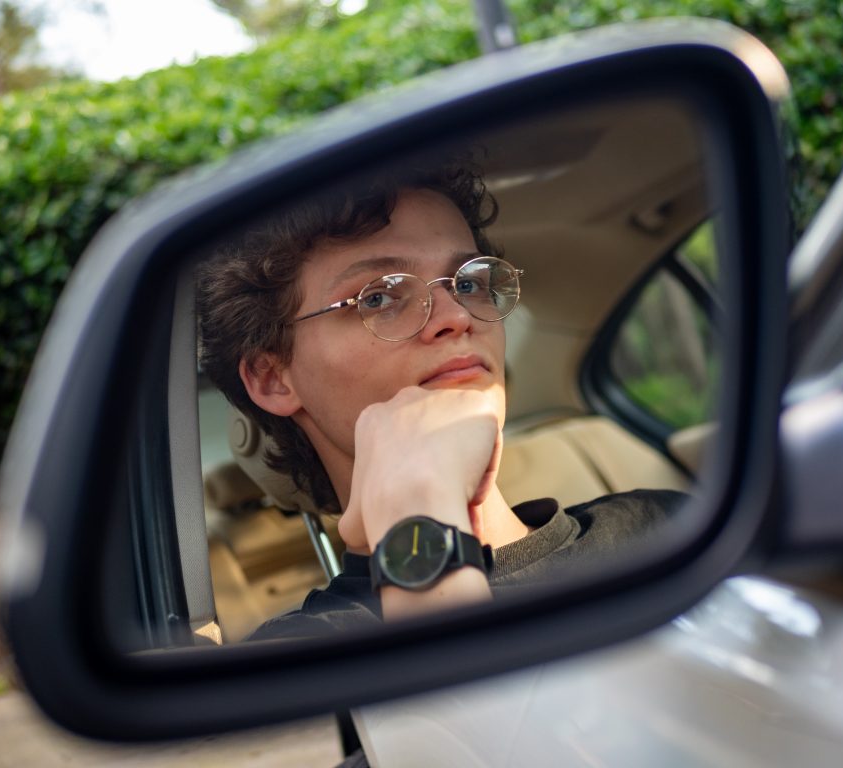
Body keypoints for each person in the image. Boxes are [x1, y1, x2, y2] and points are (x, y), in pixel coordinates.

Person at [196, 159, 686, 639]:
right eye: (378, 297)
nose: (457, 314)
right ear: (272, 378)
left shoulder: (663, 527)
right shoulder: (295, 663)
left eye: (468, 282)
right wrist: (419, 503)